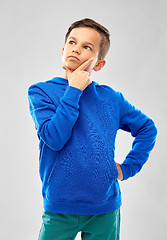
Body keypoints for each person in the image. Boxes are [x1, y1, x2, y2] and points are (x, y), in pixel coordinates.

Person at [28, 18, 157, 240]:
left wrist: (128, 168)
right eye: (72, 42)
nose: (76, 49)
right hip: (60, 207)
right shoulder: (40, 92)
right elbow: (55, 138)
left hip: (105, 208)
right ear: (63, 49)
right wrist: (74, 89)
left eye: (87, 47)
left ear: (98, 64)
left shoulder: (111, 98)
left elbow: (147, 128)